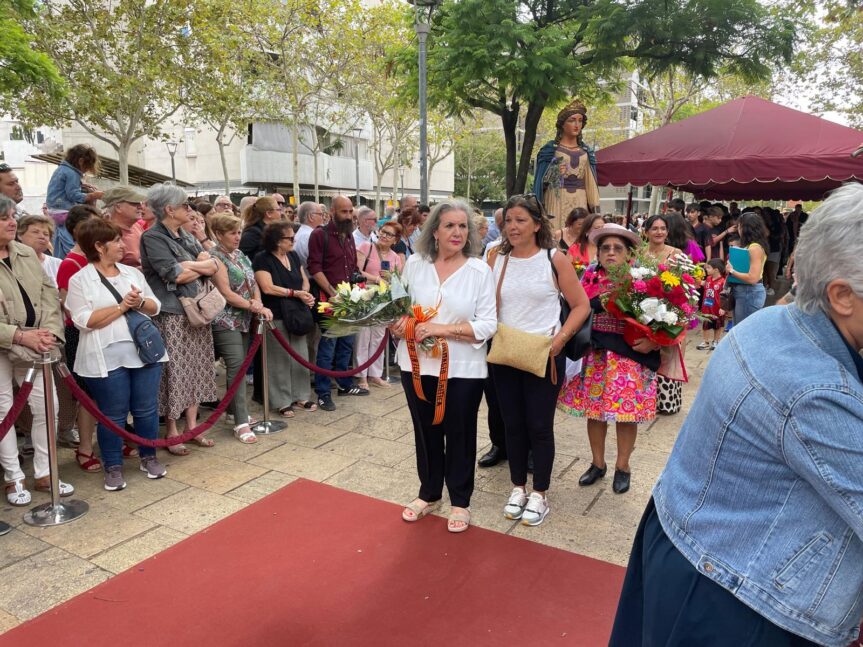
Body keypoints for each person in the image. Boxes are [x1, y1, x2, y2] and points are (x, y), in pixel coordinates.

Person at [610, 182, 863, 647]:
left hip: (700, 553)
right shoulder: (818, 392)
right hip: (740, 599)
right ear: (843, 295)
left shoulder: (772, 322)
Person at [390, 200, 497, 533]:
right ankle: (429, 492)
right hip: (416, 365)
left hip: (464, 369)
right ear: (433, 230)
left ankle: (460, 501)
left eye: (463, 226)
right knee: (425, 431)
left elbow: (488, 324)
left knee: (461, 433)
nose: (457, 232)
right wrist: (397, 324)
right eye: (450, 225)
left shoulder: (480, 270)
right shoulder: (413, 264)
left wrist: (443, 330)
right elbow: (397, 307)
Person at [490, 195, 590, 526]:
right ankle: (518, 487)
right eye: (508, 220)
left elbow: (581, 305)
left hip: (544, 355)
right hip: (505, 353)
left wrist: (559, 341)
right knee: (512, 425)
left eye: (520, 220)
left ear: (536, 224)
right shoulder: (496, 258)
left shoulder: (554, 258)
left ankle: (540, 493)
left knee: (539, 426)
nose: (513, 226)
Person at [558, 223, 661, 495]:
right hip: (596, 356)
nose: (611, 253)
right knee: (595, 413)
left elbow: (665, 317)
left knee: (627, 416)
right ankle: (597, 463)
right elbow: (575, 309)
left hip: (629, 358)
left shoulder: (643, 278)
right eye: (605, 248)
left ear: (629, 253)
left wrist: (654, 341)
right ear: (598, 252)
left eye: (618, 248)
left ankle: (623, 467)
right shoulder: (588, 276)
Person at [65, 218, 166, 490]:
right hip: (104, 357)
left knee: (146, 410)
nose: (123, 245)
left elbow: (154, 306)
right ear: (98, 246)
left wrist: (139, 302)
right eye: (116, 241)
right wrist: (122, 307)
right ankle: (112, 465)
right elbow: (84, 320)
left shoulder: (131, 273)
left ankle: (149, 456)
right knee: (112, 414)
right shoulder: (80, 279)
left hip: (143, 352)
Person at [0, 195, 72, 506]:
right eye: (4, 218)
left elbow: (49, 295)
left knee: (48, 407)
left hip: (38, 344)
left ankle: (46, 472)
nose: (12, 222)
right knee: (3, 412)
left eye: (13, 215)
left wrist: (51, 334)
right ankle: (13, 477)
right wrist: (17, 336)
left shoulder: (26, 253)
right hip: (4, 346)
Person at [140, 183, 219, 454]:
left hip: (197, 310)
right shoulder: (152, 237)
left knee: (197, 368)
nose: (190, 209)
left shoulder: (185, 233)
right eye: (185, 205)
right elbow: (175, 274)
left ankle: (193, 427)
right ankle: (172, 430)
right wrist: (197, 266)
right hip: (172, 312)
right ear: (169, 209)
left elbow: (213, 264)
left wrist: (191, 266)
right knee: (174, 372)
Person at [209, 214, 273, 443]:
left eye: (238, 232)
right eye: (232, 233)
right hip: (225, 320)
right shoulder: (214, 257)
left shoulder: (240, 255)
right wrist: (253, 306)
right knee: (236, 366)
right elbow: (225, 293)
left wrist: (257, 303)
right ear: (218, 234)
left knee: (241, 365)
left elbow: (252, 282)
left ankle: (232, 411)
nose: (237, 237)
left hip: (245, 318)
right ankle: (240, 422)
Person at [308, 196, 367, 411]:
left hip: (349, 297)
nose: (349, 216)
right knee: (328, 347)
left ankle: (344, 384)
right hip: (329, 299)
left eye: (351, 211)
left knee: (346, 344)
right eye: (344, 212)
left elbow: (351, 266)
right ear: (332, 211)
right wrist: (332, 292)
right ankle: (323, 392)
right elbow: (315, 268)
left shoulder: (349, 235)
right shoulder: (319, 235)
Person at [56, 205, 102, 472]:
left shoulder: (95, 260)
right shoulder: (70, 264)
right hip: (82, 333)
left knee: (108, 392)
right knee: (88, 394)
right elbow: (70, 308)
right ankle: (85, 447)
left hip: (103, 330)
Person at [253, 221, 317, 418]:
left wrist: (305, 293)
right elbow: (267, 287)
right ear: (277, 241)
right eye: (289, 238)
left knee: (300, 353)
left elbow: (303, 277)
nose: (293, 240)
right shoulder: (262, 259)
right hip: (276, 312)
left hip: (297, 312)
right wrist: (295, 293)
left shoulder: (293, 255)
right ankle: (281, 400)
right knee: (278, 358)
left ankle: (301, 395)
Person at [533, 99, 601, 231]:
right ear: (562, 125)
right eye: (572, 120)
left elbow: (591, 184)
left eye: (580, 121)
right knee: (555, 236)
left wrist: (596, 211)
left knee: (579, 237)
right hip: (556, 199)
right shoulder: (551, 150)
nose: (577, 125)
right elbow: (540, 184)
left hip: (580, 200)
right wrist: (554, 172)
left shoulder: (586, 152)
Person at [355, 221, 404, 389]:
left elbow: (398, 282)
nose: (384, 236)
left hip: (384, 299)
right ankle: (361, 376)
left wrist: (390, 278)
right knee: (363, 337)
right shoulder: (365, 246)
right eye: (383, 232)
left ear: (395, 239)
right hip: (365, 295)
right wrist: (376, 278)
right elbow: (356, 271)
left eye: (389, 234)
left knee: (378, 338)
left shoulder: (396, 257)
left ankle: (375, 374)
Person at [46, 144, 104, 259]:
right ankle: (76, 258)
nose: (86, 171)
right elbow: (73, 195)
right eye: (87, 168)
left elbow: (64, 188)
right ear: (81, 161)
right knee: (70, 243)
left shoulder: (61, 169)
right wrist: (93, 195)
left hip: (54, 210)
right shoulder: (72, 173)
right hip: (64, 211)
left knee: (60, 240)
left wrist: (81, 185)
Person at [726, 211, 768, 324]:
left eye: (739, 226)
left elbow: (752, 278)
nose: (737, 229)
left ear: (746, 228)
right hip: (744, 291)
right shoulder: (750, 246)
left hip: (749, 292)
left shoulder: (754, 248)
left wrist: (732, 270)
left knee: (743, 330)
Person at [102, 186, 147, 268]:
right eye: (134, 203)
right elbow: (108, 270)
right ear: (118, 207)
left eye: (139, 203)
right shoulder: (105, 233)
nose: (140, 206)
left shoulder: (136, 226)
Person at [17, 215, 61, 284]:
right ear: (20, 235)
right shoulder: (12, 265)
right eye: (35, 232)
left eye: (46, 234)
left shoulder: (58, 264)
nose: (42, 236)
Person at [696, 259, 727, 351]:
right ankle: (705, 342)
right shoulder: (708, 279)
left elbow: (726, 296)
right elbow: (704, 284)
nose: (706, 270)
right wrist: (695, 280)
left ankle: (716, 341)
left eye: (709, 268)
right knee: (705, 325)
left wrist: (724, 308)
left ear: (716, 270)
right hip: (706, 308)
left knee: (718, 325)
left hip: (718, 309)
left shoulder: (723, 281)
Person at [239, 196, 282, 261]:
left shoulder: (271, 230)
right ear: (269, 213)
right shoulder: (253, 233)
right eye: (278, 210)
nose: (281, 213)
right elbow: (241, 255)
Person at [293, 201, 324, 267]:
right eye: (320, 215)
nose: (323, 218)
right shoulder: (309, 236)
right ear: (311, 217)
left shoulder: (301, 233)